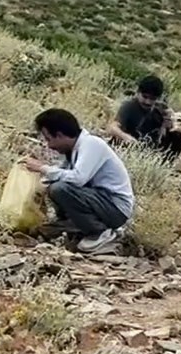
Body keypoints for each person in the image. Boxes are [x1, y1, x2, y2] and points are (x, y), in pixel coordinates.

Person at [25, 108, 135, 255]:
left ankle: (101, 232)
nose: (49, 146)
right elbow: (61, 174)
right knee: (49, 216)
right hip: (100, 202)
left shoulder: (91, 144)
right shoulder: (72, 150)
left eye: (49, 139)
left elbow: (77, 179)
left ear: (60, 135)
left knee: (60, 188)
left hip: (114, 207)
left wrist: (43, 168)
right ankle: (75, 226)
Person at [107, 75, 181, 160]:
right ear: (138, 93)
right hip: (128, 148)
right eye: (144, 97)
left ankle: (161, 166)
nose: (148, 102)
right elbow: (112, 127)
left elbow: (170, 130)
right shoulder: (129, 106)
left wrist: (168, 125)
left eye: (152, 99)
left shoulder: (161, 108)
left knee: (178, 137)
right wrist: (125, 137)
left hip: (149, 148)